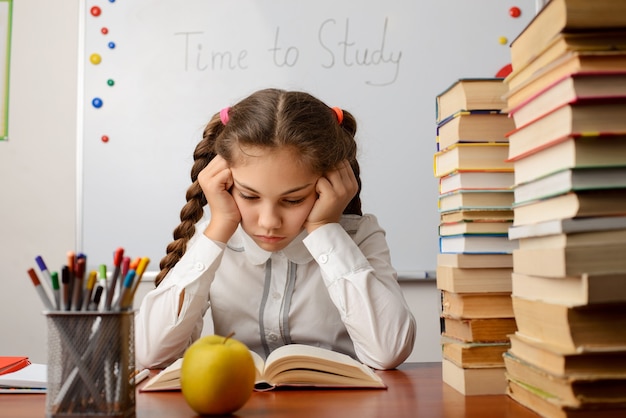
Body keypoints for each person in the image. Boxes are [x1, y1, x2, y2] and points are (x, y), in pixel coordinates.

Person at [135, 88, 416, 370]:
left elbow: (388, 351)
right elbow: (151, 355)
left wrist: (324, 228)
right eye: (249, 196)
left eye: (293, 200)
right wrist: (218, 227)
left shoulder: (359, 236)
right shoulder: (213, 238)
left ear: (329, 183)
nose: (269, 221)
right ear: (224, 182)